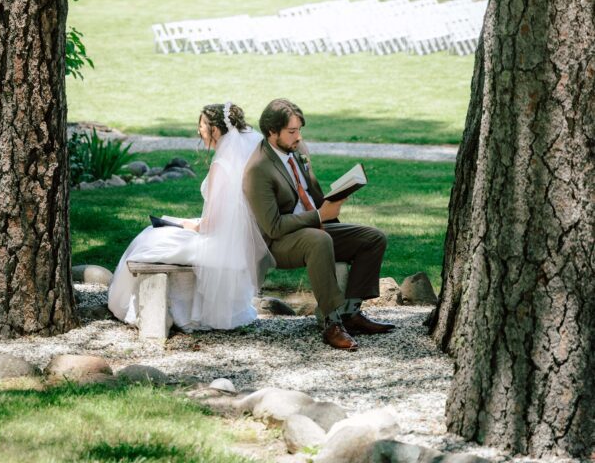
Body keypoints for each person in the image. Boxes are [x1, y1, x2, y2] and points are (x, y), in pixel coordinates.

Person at [243, 97, 395, 352]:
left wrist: (336, 198)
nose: (298, 137)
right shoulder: (258, 168)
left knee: (373, 238)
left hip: (314, 227)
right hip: (278, 243)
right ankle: (331, 323)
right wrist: (319, 217)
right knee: (320, 240)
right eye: (292, 132)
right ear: (272, 132)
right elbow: (273, 227)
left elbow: (312, 193)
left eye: (300, 130)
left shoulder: (299, 150)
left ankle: (350, 313)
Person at [108, 102, 274, 331]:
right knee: (156, 234)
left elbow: (211, 225)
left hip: (218, 241)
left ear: (215, 130)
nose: (199, 131)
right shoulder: (243, 162)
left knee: (148, 239)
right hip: (233, 239)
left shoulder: (222, 166)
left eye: (202, 126)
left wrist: (184, 224)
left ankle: (143, 308)